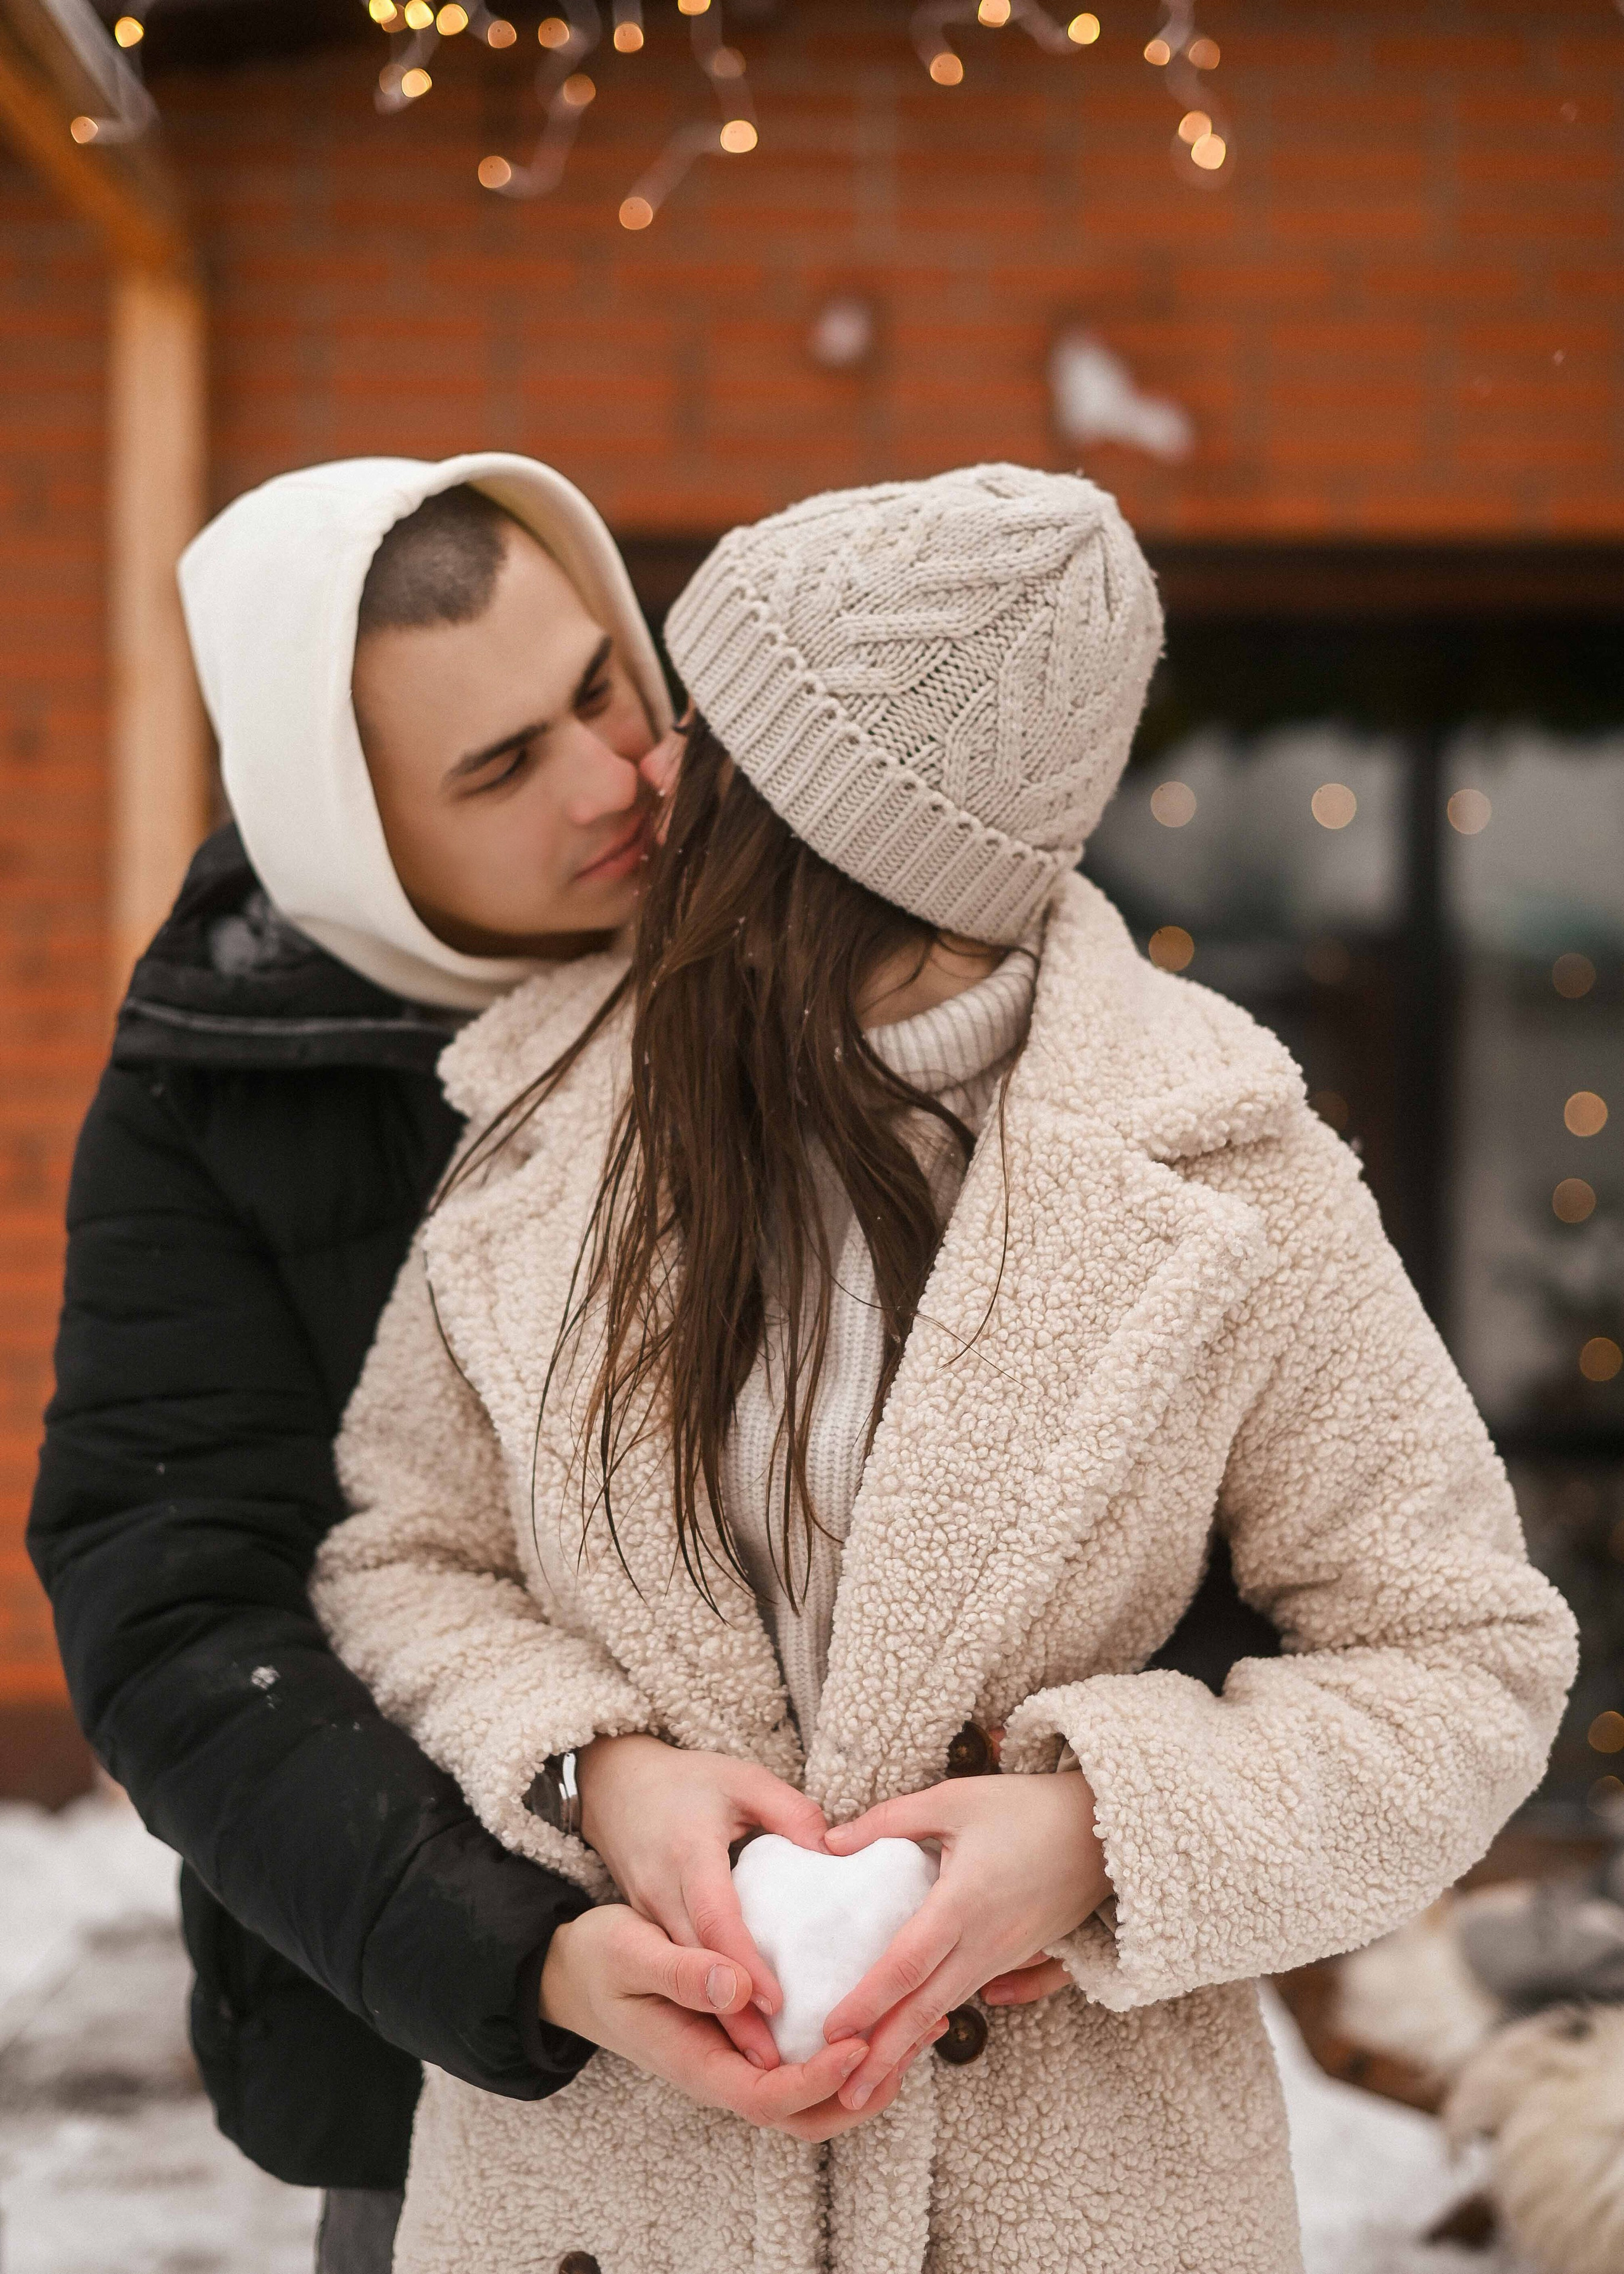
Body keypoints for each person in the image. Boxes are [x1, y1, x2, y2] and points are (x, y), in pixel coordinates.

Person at [313, 463, 1578, 2274]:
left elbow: (1466, 1663)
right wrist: (596, 1773)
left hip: (1087, 2196)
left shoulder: (1221, 1165)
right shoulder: (549, 1116)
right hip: (604, 2194)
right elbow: (401, 1558)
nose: (653, 773)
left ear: (849, 839)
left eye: (720, 742)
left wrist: (1099, 1835)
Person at [24, 450, 779, 2273]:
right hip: (462, 2084)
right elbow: (179, 1613)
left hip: (901, 2034)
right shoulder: (219, 1086)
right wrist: (512, 1954)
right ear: (350, 832)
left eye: (600, 683)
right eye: (501, 766)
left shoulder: (798, 943)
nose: (617, 779)